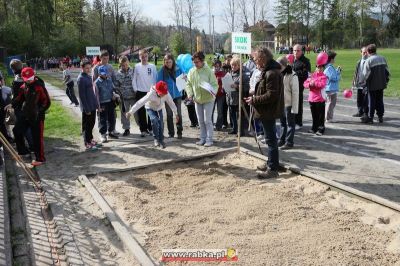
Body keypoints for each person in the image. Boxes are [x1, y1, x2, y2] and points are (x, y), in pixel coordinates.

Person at [244, 47, 284, 179]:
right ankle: (271, 163)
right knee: (269, 139)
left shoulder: (271, 73)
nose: (254, 61)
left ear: (262, 58)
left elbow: (271, 95)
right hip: (266, 110)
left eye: (255, 59)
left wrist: (255, 99)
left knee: (271, 140)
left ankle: (272, 169)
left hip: (269, 111)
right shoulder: (268, 71)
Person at [9, 67, 51, 166]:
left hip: (37, 117)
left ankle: (40, 159)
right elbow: (19, 98)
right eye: (27, 78)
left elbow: (47, 102)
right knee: (17, 130)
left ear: (34, 75)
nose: (29, 79)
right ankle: (23, 152)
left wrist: (39, 111)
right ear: (23, 77)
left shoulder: (39, 87)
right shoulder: (24, 87)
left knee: (37, 138)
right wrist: (11, 104)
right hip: (26, 114)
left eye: (31, 77)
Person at [126, 81, 179, 149]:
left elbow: (171, 103)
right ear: (157, 90)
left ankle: (161, 140)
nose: (163, 95)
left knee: (161, 124)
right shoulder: (151, 94)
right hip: (150, 108)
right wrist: (130, 112)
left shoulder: (166, 94)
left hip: (159, 108)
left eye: (164, 93)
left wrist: (176, 113)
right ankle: (156, 139)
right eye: (161, 93)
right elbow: (140, 103)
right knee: (154, 120)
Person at [185, 51, 218, 147]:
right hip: (197, 100)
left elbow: (215, 85)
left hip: (208, 99)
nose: (195, 64)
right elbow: (188, 84)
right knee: (200, 120)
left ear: (202, 60)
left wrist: (212, 91)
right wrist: (190, 94)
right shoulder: (191, 71)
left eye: (197, 62)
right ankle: (202, 138)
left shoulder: (209, 71)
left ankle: (209, 139)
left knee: (208, 120)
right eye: (194, 62)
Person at [360, 44, 390, 124]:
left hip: (372, 85)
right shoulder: (382, 58)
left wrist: (363, 83)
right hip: (381, 84)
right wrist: (386, 81)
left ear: (368, 52)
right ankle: (380, 116)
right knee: (380, 100)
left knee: (371, 101)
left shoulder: (369, 60)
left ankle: (370, 117)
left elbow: (365, 74)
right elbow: (387, 72)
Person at [157, 53, 183, 139]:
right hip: (167, 96)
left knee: (178, 113)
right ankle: (171, 133)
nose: (168, 64)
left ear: (173, 61)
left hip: (178, 95)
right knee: (169, 114)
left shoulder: (178, 68)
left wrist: (185, 78)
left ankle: (179, 132)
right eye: (166, 62)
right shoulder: (162, 71)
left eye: (170, 62)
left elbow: (184, 79)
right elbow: (159, 82)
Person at [132, 49, 157, 137]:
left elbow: (155, 78)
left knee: (151, 111)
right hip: (140, 92)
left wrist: (154, 89)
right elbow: (134, 79)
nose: (144, 58)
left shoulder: (152, 66)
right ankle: (143, 130)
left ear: (148, 56)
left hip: (150, 92)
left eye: (145, 56)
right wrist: (136, 89)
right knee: (141, 112)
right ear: (139, 57)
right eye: (142, 57)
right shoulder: (137, 66)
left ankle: (151, 129)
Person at [77, 60, 101, 150]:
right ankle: (86, 142)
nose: (88, 69)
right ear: (82, 68)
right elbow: (82, 96)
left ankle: (90, 139)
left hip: (92, 106)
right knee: (87, 126)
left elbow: (92, 92)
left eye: (89, 68)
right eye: (86, 68)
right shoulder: (81, 79)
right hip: (87, 107)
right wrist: (86, 109)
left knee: (92, 124)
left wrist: (96, 104)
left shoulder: (88, 77)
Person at [304, 52, 328, 136]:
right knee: (314, 115)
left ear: (323, 68)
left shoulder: (324, 76)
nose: (319, 68)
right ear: (316, 67)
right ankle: (314, 127)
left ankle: (321, 129)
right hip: (311, 98)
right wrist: (311, 84)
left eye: (321, 67)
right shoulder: (312, 75)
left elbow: (322, 85)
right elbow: (305, 84)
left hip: (320, 99)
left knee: (320, 115)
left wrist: (313, 83)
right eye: (318, 67)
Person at [277, 56, 299, 149]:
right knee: (282, 123)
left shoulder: (292, 75)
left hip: (289, 104)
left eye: (279, 66)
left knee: (290, 124)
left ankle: (289, 142)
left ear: (284, 65)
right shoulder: (279, 73)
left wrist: (294, 107)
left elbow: (295, 92)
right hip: (281, 103)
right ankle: (281, 140)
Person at [94, 65, 119, 143]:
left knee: (112, 118)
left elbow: (112, 89)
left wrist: (114, 95)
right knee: (103, 119)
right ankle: (103, 134)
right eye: (103, 73)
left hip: (110, 102)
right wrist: (98, 106)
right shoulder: (97, 83)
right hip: (102, 103)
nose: (105, 75)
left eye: (106, 73)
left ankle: (111, 132)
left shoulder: (109, 80)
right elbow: (96, 95)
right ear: (99, 73)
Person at [114, 56, 138, 136]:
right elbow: (116, 87)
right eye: (123, 65)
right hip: (123, 98)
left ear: (128, 63)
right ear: (120, 65)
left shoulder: (133, 71)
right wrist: (118, 96)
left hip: (133, 96)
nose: (125, 67)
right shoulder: (118, 74)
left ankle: (142, 128)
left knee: (136, 113)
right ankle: (126, 129)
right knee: (124, 114)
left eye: (126, 64)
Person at [227, 55, 250, 136]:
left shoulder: (243, 74)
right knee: (232, 115)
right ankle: (234, 129)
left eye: (235, 65)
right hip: (230, 98)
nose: (232, 66)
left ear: (239, 65)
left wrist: (237, 86)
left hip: (239, 99)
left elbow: (247, 87)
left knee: (239, 116)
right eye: (232, 65)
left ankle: (240, 131)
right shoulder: (230, 74)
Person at [292, 44, 311, 130]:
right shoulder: (292, 60)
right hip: (291, 86)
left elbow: (306, 74)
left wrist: (294, 73)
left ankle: (298, 123)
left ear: (302, 51)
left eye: (298, 51)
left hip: (299, 86)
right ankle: (293, 121)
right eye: (294, 51)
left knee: (298, 104)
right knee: (292, 104)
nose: (296, 52)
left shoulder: (305, 61)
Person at [324, 51, 341, 123]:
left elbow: (333, 75)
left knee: (331, 103)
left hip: (331, 88)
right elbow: (333, 78)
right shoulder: (329, 68)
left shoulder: (329, 67)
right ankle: (328, 118)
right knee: (330, 103)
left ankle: (329, 117)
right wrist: (339, 76)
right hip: (330, 89)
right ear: (331, 59)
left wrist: (337, 71)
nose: (334, 60)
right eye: (334, 58)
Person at [352, 47, 368, 117]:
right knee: (359, 99)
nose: (365, 54)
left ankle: (365, 113)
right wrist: (353, 83)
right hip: (359, 84)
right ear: (361, 53)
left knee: (365, 100)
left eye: (366, 52)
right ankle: (359, 111)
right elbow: (356, 73)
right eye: (363, 52)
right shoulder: (359, 62)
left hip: (366, 84)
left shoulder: (369, 61)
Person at [212, 60, 227, 131]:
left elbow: (226, 83)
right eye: (215, 66)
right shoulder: (211, 74)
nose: (216, 68)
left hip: (221, 95)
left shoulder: (223, 74)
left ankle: (219, 125)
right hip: (212, 94)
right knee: (211, 110)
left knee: (220, 111)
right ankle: (210, 125)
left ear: (220, 67)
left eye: (218, 66)